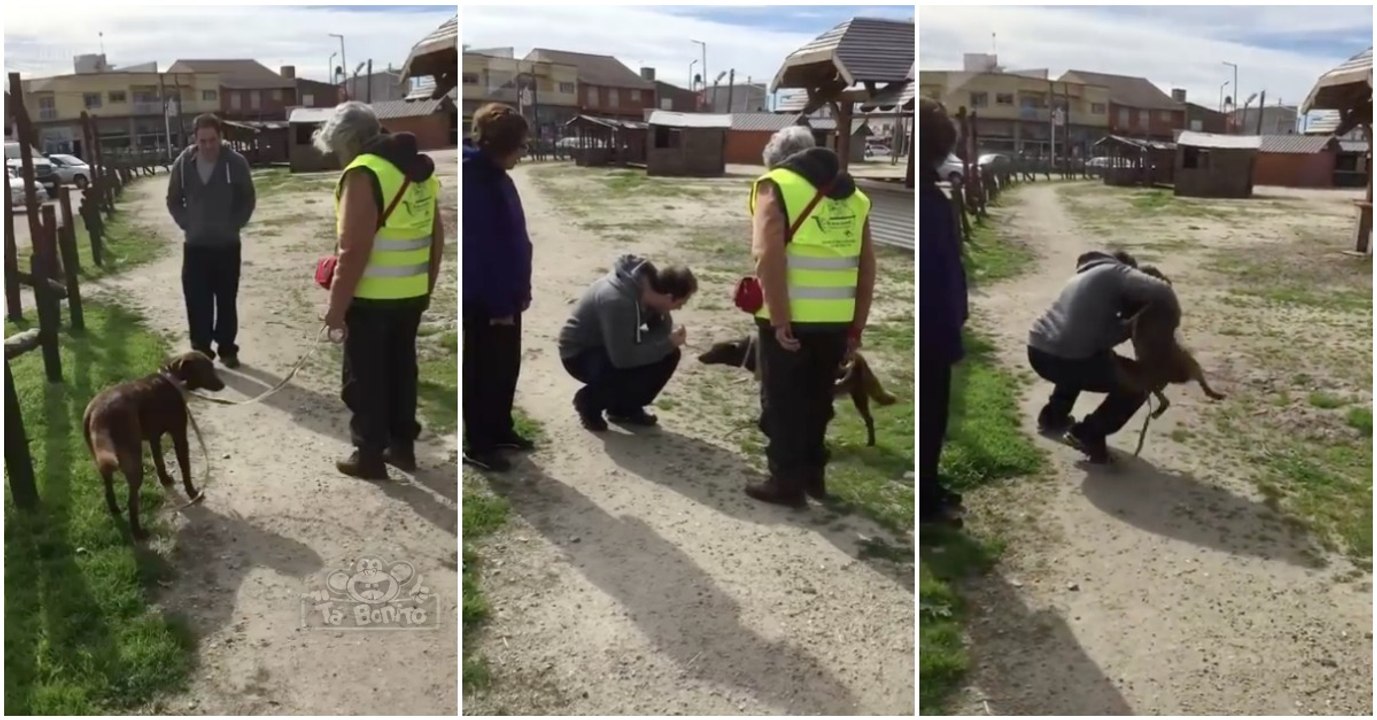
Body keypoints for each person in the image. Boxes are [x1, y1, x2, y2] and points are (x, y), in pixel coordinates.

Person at [745, 125, 876, 508]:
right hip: (835, 322)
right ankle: (814, 476)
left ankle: (785, 483)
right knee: (819, 400)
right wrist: (856, 327)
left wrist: (781, 318)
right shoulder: (856, 197)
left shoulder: (775, 186)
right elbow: (866, 267)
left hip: (789, 323)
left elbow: (768, 256)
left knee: (783, 401)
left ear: (777, 160)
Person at [314, 102, 444, 479]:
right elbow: (437, 236)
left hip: (371, 298)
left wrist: (336, 309)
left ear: (348, 142)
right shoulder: (418, 170)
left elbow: (353, 250)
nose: (339, 157)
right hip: (411, 294)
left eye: (338, 149)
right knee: (402, 372)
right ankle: (402, 448)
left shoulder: (363, 173)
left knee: (365, 379)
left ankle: (368, 454)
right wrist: (426, 287)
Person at [1027, 250, 1178, 464]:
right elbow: (1109, 338)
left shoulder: (1087, 280)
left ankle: (1053, 417)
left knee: (1086, 355)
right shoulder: (1119, 282)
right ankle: (1089, 432)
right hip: (1063, 359)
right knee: (1137, 380)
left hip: (1038, 348)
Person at [461, 103, 534, 472]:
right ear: (503, 145)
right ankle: (479, 442)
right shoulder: (474, 181)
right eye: (521, 146)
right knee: (482, 374)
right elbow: (481, 251)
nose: (524, 153)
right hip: (486, 301)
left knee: (505, 370)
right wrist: (499, 305)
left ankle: (501, 428)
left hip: (507, 295)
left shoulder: (498, 177)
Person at [557, 256, 696, 431]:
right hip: (579, 352)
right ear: (669, 297)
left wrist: (667, 339)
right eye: (680, 304)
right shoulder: (618, 301)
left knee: (668, 355)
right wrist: (667, 343)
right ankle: (589, 402)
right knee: (626, 366)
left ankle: (623, 409)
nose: (679, 309)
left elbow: (660, 332)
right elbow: (623, 359)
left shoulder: (649, 291)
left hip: (610, 344)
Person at [166, 113, 256, 368]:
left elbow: (247, 199)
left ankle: (227, 348)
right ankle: (202, 351)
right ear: (195, 139)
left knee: (226, 299)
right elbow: (173, 199)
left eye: (212, 140)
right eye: (202, 141)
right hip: (195, 247)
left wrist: (234, 224)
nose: (208, 146)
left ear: (220, 137)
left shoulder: (235, 163)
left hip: (227, 246)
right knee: (197, 300)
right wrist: (187, 223)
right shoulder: (183, 164)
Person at [918, 99, 969, 526]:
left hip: (939, 325)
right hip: (932, 330)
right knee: (930, 415)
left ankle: (930, 484)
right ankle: (925, 499)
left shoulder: (931, 198)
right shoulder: (928, 205)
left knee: (935, 414)